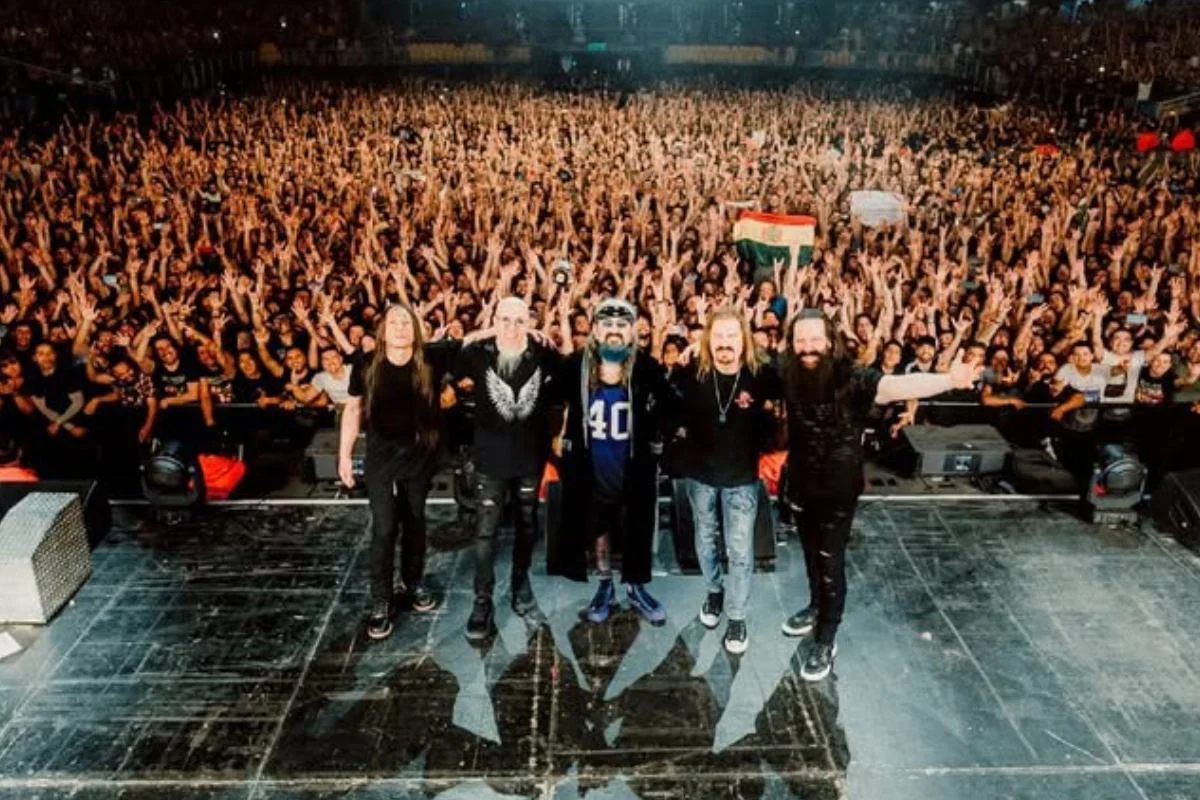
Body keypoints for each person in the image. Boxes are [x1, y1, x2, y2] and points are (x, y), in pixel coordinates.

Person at [779, 309, 981, 681]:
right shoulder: (787, 371)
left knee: (830, 560)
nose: (807, 347)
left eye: (815, 339)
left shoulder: (852, 377)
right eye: (800, 340)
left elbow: (897, 386)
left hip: (838, 487)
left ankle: (826, 638)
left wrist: (950, 379)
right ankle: (815, 607)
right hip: (801, 482)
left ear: (830, 341)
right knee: (809, 552)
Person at [339, 303, 458, 640]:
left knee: (415, 521)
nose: (401, 328)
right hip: (382, 460)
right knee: (385, 528)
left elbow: (473, 340)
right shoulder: (366, 364)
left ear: (415, 330)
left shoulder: (430, 359)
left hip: (419, 457)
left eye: (407, 322)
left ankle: (413, 581)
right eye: (395, 322)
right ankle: (381, 599)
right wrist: (344, 455)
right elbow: (353, 409)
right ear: (383, 330)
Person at [452, 296, 564, 642]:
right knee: (485, 533)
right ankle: (482, 600)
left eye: (519, 321)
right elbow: (444, 353)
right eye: (504, 320)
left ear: (528, 322)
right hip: (489, 461)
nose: (512, 328)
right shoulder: (478, 354)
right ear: (495, 320)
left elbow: (564, 387)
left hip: (530, 459)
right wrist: (485, 331)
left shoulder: (542, 353)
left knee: (527, 526)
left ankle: (520, 585)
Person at [557, 298, 672, 627]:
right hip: (592, 468)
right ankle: (605, 584)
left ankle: (636, 588)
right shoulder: (576, 366)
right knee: (598, 528)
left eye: (622, 325)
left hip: (633, 468)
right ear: (595, 330)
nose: (614, 331)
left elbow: (671, 407)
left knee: (637, 529)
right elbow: (551, 401)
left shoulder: (648, 368)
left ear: (633, 331)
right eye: (607, 324)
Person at [672, 306, 779, 654]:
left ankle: (737, 616)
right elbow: (665, 397)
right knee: (705, 541)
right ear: (707, 339)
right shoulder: (693, 372)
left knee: (740, 550)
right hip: (700, 476)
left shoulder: (759, 374)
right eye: (718, 336)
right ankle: (714, 592)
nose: (725, 342)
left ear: (743, 339)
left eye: (732, 335)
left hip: (741, 478)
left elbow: (788, 379)